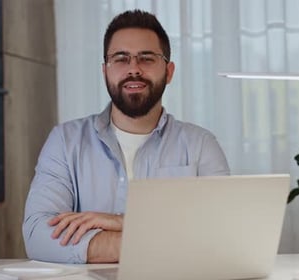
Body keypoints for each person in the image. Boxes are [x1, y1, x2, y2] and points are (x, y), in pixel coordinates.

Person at [22, 9, 230, 264]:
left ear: (169, 71)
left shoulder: (201, 145)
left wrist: (121, 222)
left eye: (146, 58)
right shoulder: (64, 142)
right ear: (105, 71)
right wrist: (160, 240)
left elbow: (221, 234)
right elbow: (38, 236)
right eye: (121, 59)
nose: (134, 69)